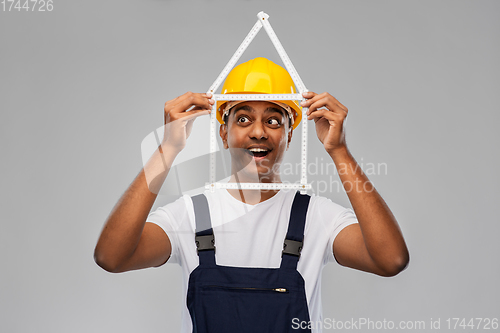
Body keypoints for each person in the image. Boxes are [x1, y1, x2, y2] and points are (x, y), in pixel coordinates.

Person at [94, 57, 409, 333]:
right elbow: (112, 256)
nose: (259, 131)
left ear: (289, 135)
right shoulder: (190, 215)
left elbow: (391, 260)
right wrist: (168, 148)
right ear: (223, 133)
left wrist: (339, 150)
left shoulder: (316, 217)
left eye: (273, 120)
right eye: (243, 118)